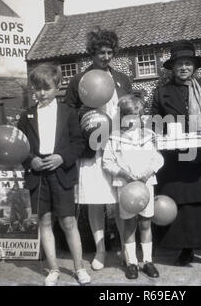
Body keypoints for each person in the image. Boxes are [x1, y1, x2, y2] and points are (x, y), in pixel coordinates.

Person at [151, 40, 201, 269]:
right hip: (177, 159)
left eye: (188, 63)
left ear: (194, 66)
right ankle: (186, 250)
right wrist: (158, 134)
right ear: (172, 67)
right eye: (179, 64)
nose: (184, 67)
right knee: (182, 205)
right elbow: (155, 121)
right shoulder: (161, 93)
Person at [65, 27, 133, 270]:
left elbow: (131, 108)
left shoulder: (122, 79)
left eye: (109, 52)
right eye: (101, 52)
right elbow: (69, 112)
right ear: (92, 53)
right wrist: (86, 119)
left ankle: (127, 250)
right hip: (92, 149)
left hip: (120, 146)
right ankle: (101, 251)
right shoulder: (79, 81)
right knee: (96, 201)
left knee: (121, 200)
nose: (105, 57)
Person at [18, 63, 91, 286]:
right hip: (38, 175)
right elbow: (20, 146)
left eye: (46, 88)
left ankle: (79, 268)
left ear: (58, 86)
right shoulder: (26, 115)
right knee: (44, 221)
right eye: (37, 88)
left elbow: (79, 143)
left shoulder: (69, 113)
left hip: (62, 173)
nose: (41, 93)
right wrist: (32, 160)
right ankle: (53, 269)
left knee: (69, 222)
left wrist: (62, 157)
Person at [102, 95, 164, 279]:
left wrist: (148, 172)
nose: (131, 120)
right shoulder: (114, 138)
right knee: (129, 225)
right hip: (125, 187)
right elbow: (108, 162)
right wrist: (123, 173)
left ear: (141, 116)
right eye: (127, 116)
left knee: (145, 224)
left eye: (135, 116)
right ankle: (131, 262)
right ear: (121, 117)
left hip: (145, 186)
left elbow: (158, 158)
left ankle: (147, 261)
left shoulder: (149, 136)